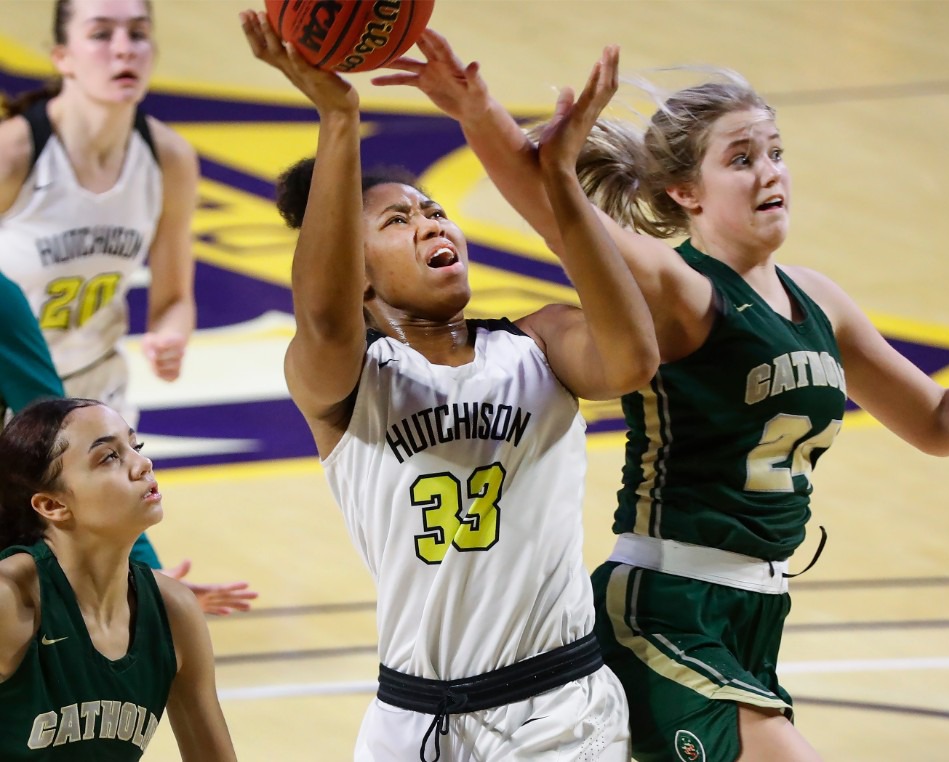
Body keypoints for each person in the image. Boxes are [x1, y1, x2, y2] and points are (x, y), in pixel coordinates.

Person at [377, 30, 949, 762]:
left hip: (755, 613)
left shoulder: (819, 300)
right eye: (741, 159)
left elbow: (941, 421)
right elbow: (556, 210)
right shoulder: (681, 286)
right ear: (685, 194)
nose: (769, 172)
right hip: (664, 608)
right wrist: (476, 108)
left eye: (775, 150)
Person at [240, 10, 657, 762]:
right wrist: (339, 116)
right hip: (409, 718)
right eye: (397, 220)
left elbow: (633, 359)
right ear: (356, 272)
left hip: (557, 711)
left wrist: (559, 180)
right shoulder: (345, 381)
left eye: (434, 210)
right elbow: (329, 320)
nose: (433, 224)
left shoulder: (540, 343)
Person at [0, 0, 256, 617]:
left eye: (139, 35)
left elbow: (173, 298)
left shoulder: (167, 157)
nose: (124, 49)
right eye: (102, 34)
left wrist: (170, 335)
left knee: (93, 591)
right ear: (62, 57)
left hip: (89, 392)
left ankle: (146, 596)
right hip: (15, 392)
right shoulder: (14, 153)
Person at [0, 397, 238, 760]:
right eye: (109, 456)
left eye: (135, 446)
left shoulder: (174, 612)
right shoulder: (10, 601)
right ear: (52, 505)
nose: (143, 463)